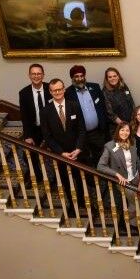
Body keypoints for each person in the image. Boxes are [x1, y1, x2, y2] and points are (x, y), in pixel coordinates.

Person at [41, 78, 86, 208]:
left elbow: (82, 129)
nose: (58, 92)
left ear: (64, 89)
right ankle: (72, 205)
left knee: (80, 179)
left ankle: (83, 203)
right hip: (60, 154)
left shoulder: (74, 105)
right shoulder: (45, 111)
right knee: (65, 181)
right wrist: (61, 152)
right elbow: (47, 137)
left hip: (77, 152)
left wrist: (78, 148)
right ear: (50, 92)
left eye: (60, 89)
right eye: (54, 90)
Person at [96, 122, 140, 228]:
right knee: (137, 202)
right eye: (122, 130)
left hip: (135, 177)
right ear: (118, 131)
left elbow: (136, 160)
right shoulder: (110, 146)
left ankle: (132, 225)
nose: (125, 132)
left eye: (127, 130)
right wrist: (117, 175)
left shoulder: (132, 142)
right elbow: (100, 166)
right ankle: (122, 222)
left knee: (132, 202)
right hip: (122, 180)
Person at [65, 65, 109, 167]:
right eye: (76, 76)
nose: (79, 79)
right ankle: (90, 181)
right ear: (72, 78)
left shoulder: (95, 87)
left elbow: (103, 107)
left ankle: (102, 180)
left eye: (81, 76)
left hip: (97, 133)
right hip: (80, 135)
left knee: (101, 157)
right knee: (85, 160)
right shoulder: (68, 93)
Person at [18, 63, 51, 181]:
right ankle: (38, 176)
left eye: (38, 74)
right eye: (33, 74)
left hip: (51, 128)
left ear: (43, 75)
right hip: (35, 129)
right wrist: (27, 135)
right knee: (28, 155)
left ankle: (59, 179)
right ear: (29, 75)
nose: (36, 76)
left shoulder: (50, 88)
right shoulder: (24, 93)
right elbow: (24, 116)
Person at [102, 67, 135, 135]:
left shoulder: (124, 87)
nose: (113, 78)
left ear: (118, 76)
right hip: (117, 127)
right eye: (110, 77)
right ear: (107, 79)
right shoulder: (105, 92)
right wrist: (122, 125)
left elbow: (131, 102)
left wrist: (134, 119)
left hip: (130, 123)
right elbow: (110, 113)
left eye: (115, 76)